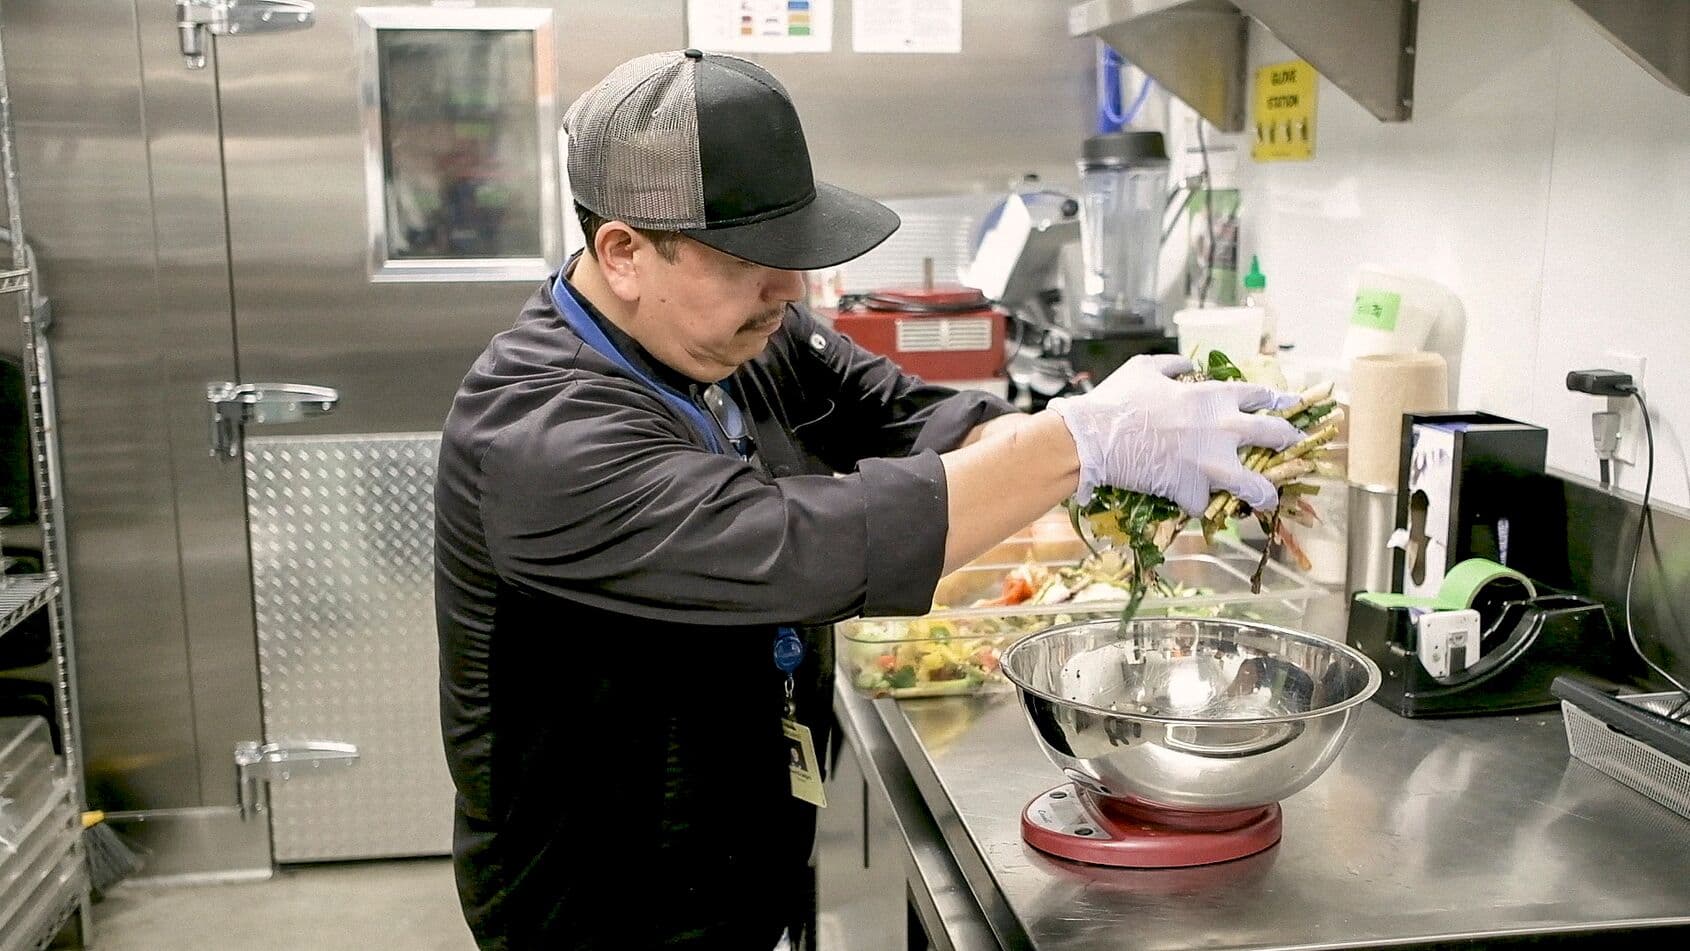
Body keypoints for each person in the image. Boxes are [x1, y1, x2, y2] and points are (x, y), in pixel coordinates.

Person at [433, 49, 1300, 951]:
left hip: (736, 856)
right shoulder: (540, 433)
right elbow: (797, 542)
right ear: (623, 253)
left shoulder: (737, 333)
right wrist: (1080, 440)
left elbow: (906, 416)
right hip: (603, 900)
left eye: (793, 256)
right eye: (752, 262)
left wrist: (1112, 443)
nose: (790, 291)